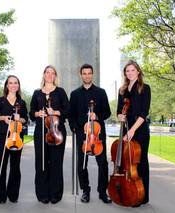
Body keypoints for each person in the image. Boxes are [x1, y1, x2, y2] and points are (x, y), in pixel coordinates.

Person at [69, 64, 112, 204]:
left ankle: (102, 192)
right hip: (82, 135)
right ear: (81, 75)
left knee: (103, 164)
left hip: (98, 135)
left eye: (89, 73)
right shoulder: (74, 94)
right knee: (82, 164)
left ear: (92, 75)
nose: (87, 75)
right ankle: (85, 191)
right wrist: (75, 128)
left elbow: (107, 112)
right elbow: (71, 115)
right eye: (84, 73)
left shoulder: (101, 92)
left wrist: (97, 115)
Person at [29, 65, 69, 204]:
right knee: (41, 163)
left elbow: (67, 110)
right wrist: (37, 113)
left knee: (56, 163)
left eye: (53, 73)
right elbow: (31, 113)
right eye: (48, 72)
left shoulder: (60, 92)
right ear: (44, 75)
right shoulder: (37, 93)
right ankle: (42, 194)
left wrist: (56, 112)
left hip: (57, 131)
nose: (50, 75)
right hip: (41, 131)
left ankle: (55, 194)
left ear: (55, 76)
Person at [117, 60, 151, 206]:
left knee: (141, 162)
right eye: (127, 71)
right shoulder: (122, 90)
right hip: (126, 130)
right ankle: (130, 190)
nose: (130, 73)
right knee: (128, 163)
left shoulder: (145, 88)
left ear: (138, 71)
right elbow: (119, 111)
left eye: (132, 70)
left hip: (139, 129)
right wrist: (120, 116)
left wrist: (132, 130)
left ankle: (142, 196)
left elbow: (144, 113)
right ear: (125, 73)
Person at [0, 75, 28, 204]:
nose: (13, 85)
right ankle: (1, 196)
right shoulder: (0, 101)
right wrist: (4, 118)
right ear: (7, 85)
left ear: (18, 85)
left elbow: (26, 119)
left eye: (15, 83)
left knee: (15, 167)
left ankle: (13, 195)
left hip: (17, 137)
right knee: (2, 166)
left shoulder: (22, 103)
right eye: (10, 83)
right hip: (3, 136)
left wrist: (20, 119)